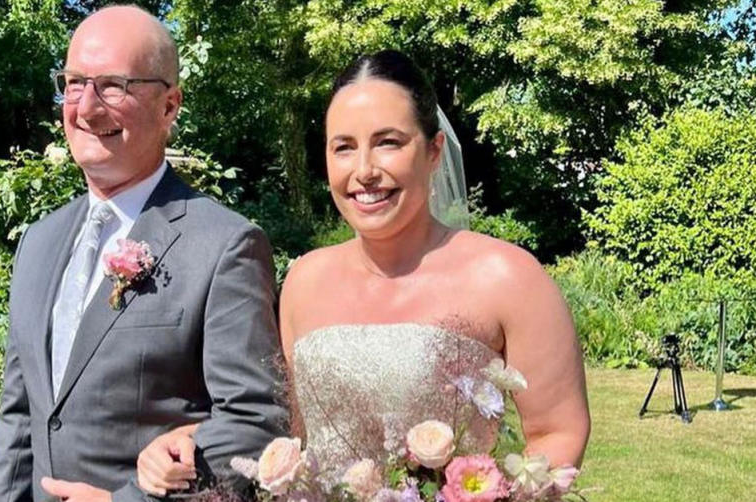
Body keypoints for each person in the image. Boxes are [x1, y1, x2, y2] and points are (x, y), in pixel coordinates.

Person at [136, 49, 589, 489]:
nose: (365, 170)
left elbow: (557, 432)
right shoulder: (304, 281)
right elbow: (280, 430)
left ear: (433, 152)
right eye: (344, 148)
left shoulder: (507, 277)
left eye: (388, 142)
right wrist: (193, 438)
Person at [0, 6, 287, 502]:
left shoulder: (225, 245)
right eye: (74, 82)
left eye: (114, 86)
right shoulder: (37, 243)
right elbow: (21, 418)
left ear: (170, 106)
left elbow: (255, 422)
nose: (86, 108)